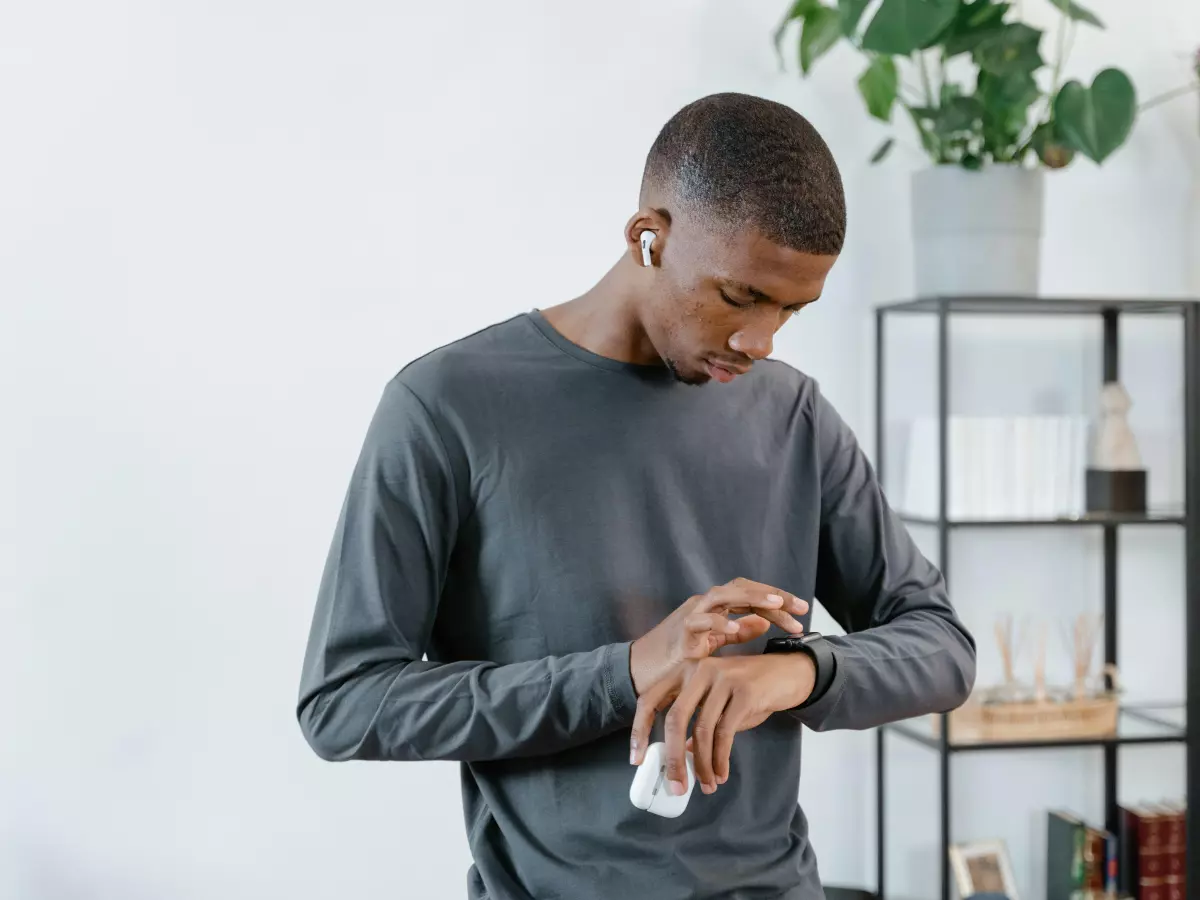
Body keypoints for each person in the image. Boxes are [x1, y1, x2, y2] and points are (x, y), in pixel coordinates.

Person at [295, 91, 976, 900]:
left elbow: (941, 647)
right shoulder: (447, 406)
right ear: (648, 237)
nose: (761, 342)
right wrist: (622, 674)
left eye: (792, 309)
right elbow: (344, 702)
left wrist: (792, 673)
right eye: (739, 297)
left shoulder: (792, 413)